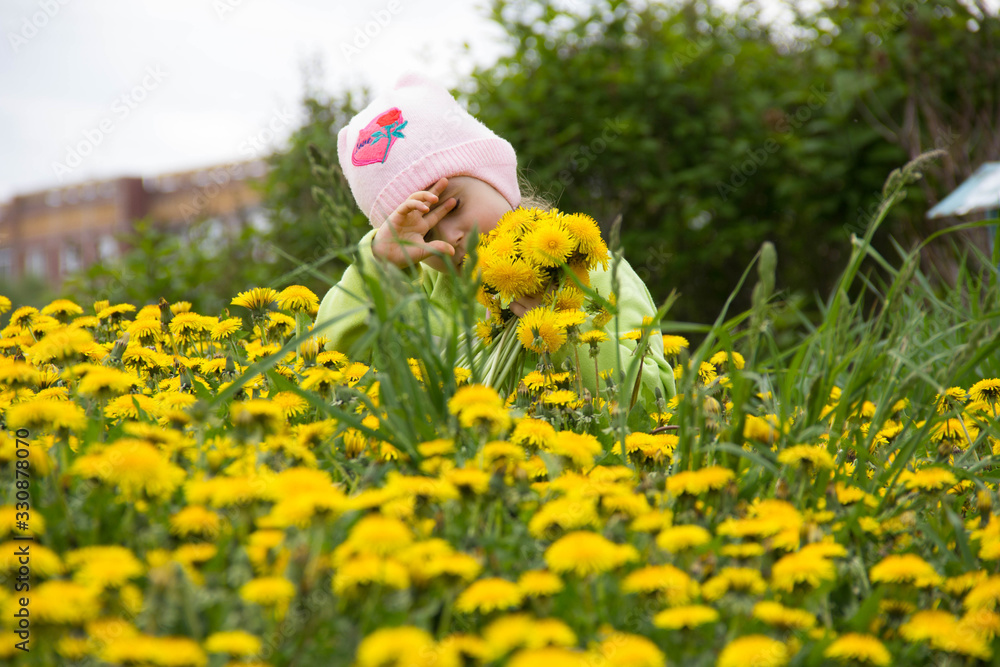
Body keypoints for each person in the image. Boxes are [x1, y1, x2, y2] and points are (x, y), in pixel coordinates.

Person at [314, 73, 676, 408]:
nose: (450, 238)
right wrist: (374, 267)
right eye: (424, 232)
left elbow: (652, 399)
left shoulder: (595, 273)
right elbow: (321, 373)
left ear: (493, 179)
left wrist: (562, 333)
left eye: (451, 206)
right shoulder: (406, 297)